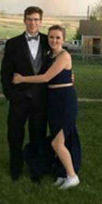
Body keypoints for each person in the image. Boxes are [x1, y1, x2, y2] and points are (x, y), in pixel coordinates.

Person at [13, 25, 81, 190]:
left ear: (63, 39)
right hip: (54, 102)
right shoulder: (51, 55)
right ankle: (62, 173)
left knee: (58, 143)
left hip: (65, 101)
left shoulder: (64, 56)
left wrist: (22, 79)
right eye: (51, 37)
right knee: (59, 141)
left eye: (58, 37)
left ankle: (72, 176)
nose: (54, 40)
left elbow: (45, 77)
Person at [0, 6, 50, 182]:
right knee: (15, 135)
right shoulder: (12, 44)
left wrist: (69, 74)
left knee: (38, 136)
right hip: (19, 99)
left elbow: (59, 62)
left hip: (40, 100)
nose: (33, 23)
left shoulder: (48, 41)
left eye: (36, 19)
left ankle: (36, 171)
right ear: (24, 20)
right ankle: (15, 169)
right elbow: (5, 73)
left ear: (41, 22)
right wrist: (11, 95)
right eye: (29, 19)